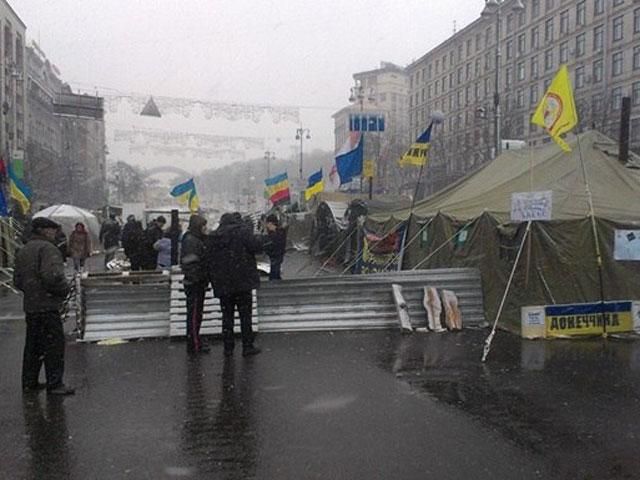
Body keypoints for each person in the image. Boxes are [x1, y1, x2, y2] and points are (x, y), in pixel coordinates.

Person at [13, 217, 74, 395]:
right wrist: (64, 289)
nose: (55, 233)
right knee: (53, 345)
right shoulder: (48, 249)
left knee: (33, 346)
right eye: (53, 230)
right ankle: (55, 384)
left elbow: (17, 280)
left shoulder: (23, 249)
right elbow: (53, 276)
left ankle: (29, 381)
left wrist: (32, 291)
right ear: (44, 230)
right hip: (47, 305)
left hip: (31, 306)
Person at [208, 212, 263, 357]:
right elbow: (257, 247)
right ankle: (247, 346)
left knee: (227, 317)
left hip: (224, 284)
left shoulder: (214, 236)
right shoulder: (243, 232)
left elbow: (209, 260)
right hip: (242, 282)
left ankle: (228, 347)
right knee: (245, 316)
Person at [180, 214, 209, 354]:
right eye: (204, 226)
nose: (206, 229)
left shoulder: (193, 239)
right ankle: (194, 344)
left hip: (196, 282)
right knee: (194, 315)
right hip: (195, 283)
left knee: (196, 314)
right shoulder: (192, 241)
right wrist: (199, 277)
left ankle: (194, 340)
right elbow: (190, 263)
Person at [263, 214, 287, 280]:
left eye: (267, 223)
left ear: (270, 223)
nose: (266, 225)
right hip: (276, 255)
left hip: (275, 255)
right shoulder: (279, 232)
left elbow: (273, 245)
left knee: (274, 273)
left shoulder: (276, 234)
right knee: (275, 272)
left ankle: (275, 285)